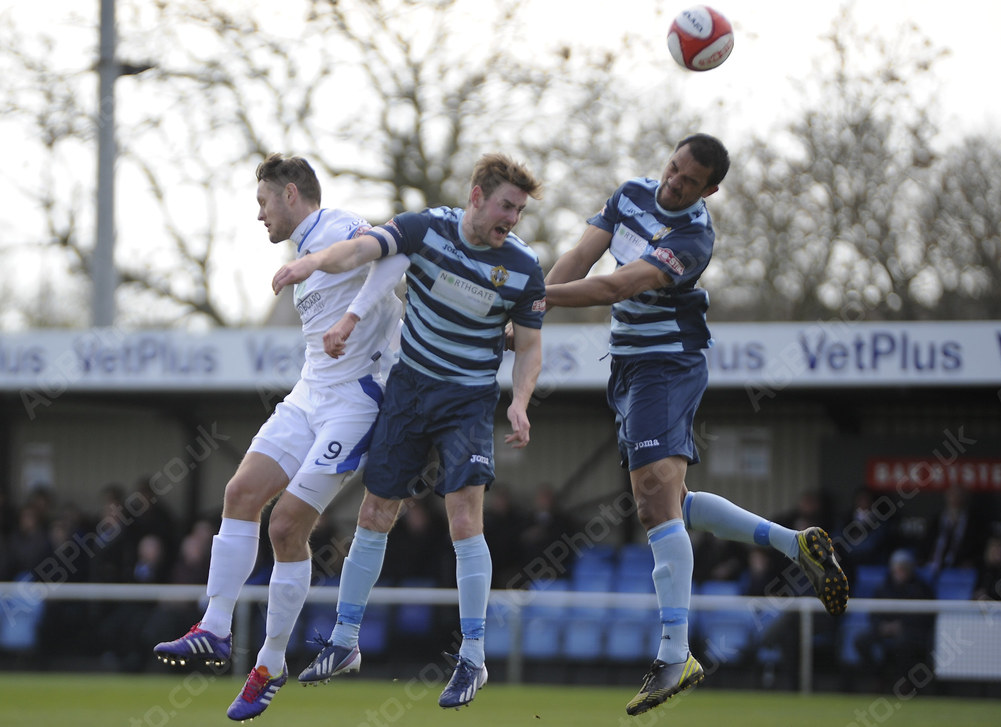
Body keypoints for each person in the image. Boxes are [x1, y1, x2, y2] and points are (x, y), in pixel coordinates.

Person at [541, 134, 849, 716]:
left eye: (688, 180)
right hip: (630, 366)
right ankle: (794, 545)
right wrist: (535, 312)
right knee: (670, 503)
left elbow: (614, 285)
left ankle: (675, 654)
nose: (672, 182)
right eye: (673, 167)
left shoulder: (693, 239)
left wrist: (536, 300)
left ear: (710, 190)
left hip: (668, 363)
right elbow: (581, 259)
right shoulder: (630, 194)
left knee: (653, 502)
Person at [270, 152, 545, 709]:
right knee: (374, 513)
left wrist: (519, 399)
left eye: (518, 210)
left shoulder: (522, 266)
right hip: (408, 390)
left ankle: (472, 657)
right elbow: (362, 250)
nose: (512, 218)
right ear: (476, 196)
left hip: (467, 401)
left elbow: (532, 342)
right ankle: (345, 642)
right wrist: (308, 263)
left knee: (464, 518)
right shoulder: (426, 228)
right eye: (505, 206)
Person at [152, 153, 407, 722]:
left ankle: (269, 663)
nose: (260, 215)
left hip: (354, 405)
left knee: (286, 524)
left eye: (263, 202)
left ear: (291, 194)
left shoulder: (340, 226)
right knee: (240, 494)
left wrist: (352, 318)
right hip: (308, 396)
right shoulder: (304, 248)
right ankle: (214, 629)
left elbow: (397, 255)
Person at [854, 549, 934, 684]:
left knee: (902, 645)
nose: (901, 572)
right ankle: (878, 677)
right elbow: (874, 613)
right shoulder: (883, 587)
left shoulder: (921, 588)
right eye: (898, 568)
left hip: (911, 631)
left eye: (904, 568)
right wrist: (882, 626)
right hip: (884, 628)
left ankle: (904, 683)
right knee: (861, 641)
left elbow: (925, 616)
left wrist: (902, 625)